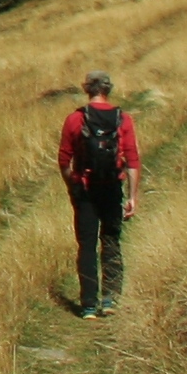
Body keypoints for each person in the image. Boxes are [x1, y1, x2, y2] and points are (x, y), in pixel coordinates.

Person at [56, 72, 141, 317]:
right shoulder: (122, 119)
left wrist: (72, 185)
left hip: (85, 189)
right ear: (108, 90)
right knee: (112, 241)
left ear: (86, 90)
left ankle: (89, 305)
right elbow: (132, 160)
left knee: (87, 245)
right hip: (112, 188)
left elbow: (64, 159)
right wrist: (132, 196)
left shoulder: (75, 119)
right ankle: (110, 299)